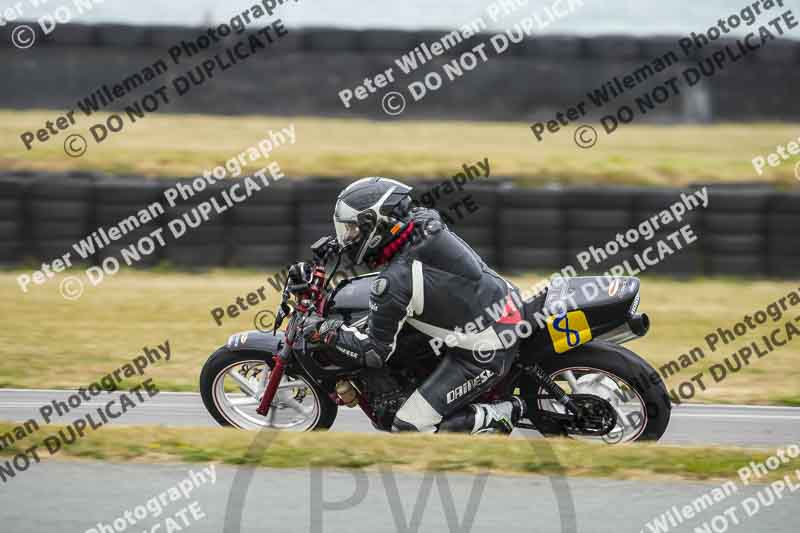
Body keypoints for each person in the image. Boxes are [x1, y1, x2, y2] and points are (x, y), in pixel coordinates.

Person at [297, 177, 526, 434]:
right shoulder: (424, 221)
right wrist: (339, 245)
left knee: (409, 426)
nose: (347, 237)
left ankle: (503, 413)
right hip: (500, 300)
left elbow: (373, 353)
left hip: (487, 347)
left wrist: (326, 330)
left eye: (351, 230)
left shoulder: (396, 282)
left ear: (374, 227)